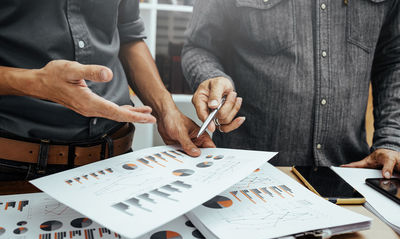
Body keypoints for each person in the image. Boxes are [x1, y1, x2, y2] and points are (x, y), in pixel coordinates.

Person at [182, 0, 400, 178]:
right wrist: (211, 77)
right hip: (246, 175)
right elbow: (199, 47)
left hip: (349, 174)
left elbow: (393, 61)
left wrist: (390, 139)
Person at [0, 0, 214, 181]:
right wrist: (36, 82)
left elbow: (128, 34)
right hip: (15, 165)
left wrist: (166, 109)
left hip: (116, 158)